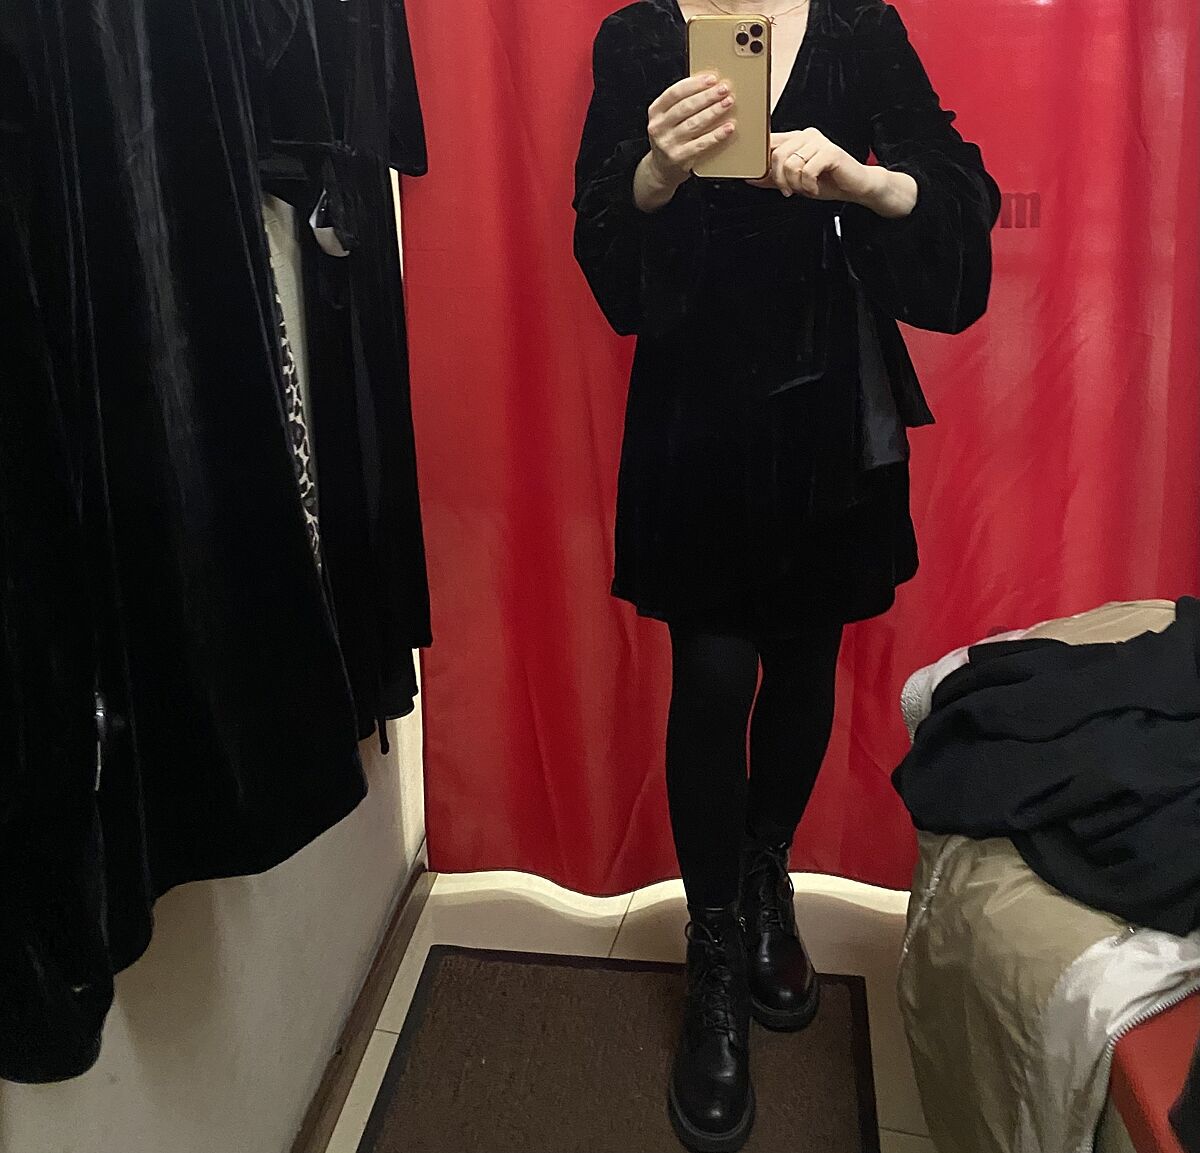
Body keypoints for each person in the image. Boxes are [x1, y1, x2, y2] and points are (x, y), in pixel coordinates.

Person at [573, 0, 999, 1149]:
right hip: (697, 415)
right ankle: (714, 945)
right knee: (714, 680)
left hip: (827, 412)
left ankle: (767, 878)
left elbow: (958, 192)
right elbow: (602, 246)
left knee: (806, 665)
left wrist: (863, 179)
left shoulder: (860, 28)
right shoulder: (641, 38)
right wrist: (655, 172)